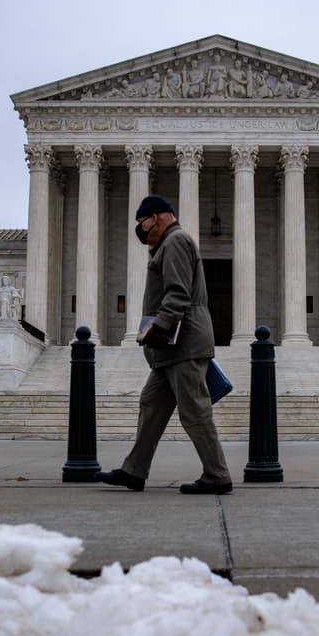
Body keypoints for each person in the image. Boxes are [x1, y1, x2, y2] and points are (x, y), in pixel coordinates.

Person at [96, 195, 233, 495]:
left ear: (155, 217)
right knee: (151, 407)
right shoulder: (167, 245)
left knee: (194, 411)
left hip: (183, 343)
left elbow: (178, 294)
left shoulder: (175, 242)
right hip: (169, 348)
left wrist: (157, 327)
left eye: (142, 223)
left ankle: (217, 475)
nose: (140, 230)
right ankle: (134, 470)